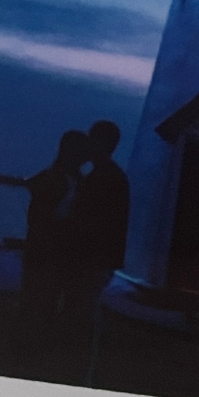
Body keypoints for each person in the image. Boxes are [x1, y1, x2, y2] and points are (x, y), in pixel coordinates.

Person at [67, 122, 131, 379]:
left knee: (80, 314)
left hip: (93, 260)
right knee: (85, 312)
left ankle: (78, 371)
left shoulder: (101, 178)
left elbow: (89, 221)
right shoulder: (114, 177)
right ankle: (82, 370)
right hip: (103, 260)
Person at [19, 130, 88, 350]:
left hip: (58, 250)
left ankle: (37, 345)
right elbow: (38, 217)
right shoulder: (55, 178)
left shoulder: (71, 179)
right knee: (37, 296)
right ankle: (29, 346)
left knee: (47, 297)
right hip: (46, 249)